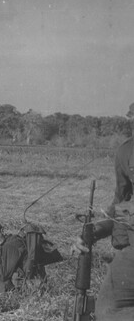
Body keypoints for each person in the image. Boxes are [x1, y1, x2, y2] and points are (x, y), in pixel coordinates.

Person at [72, 135, 134, 320]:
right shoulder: (127, 150)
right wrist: (93, 232)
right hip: (131, 252)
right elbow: (120, 204)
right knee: (108, 312)